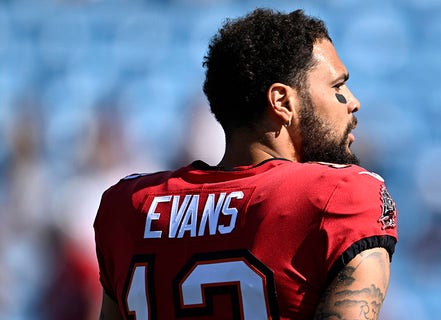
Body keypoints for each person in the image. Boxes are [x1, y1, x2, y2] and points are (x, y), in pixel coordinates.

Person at [94, 8, 398, 320]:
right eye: (337, 86)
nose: (353, 101)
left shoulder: (128, 205)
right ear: (282, 101)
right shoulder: (339, 195)